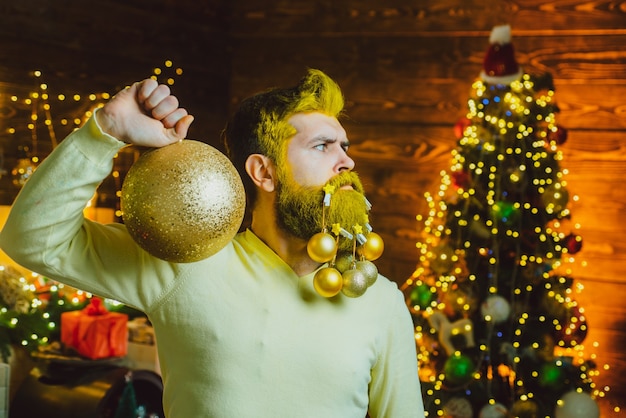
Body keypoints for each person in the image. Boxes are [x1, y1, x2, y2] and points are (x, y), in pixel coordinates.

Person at [0, 69, 425, 417]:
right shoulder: (187, 262)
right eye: (322, 146)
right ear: (264, 173)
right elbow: (32, 241)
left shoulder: (381, 302)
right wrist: (104, 132)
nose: (346, 161)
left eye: (345, 148)